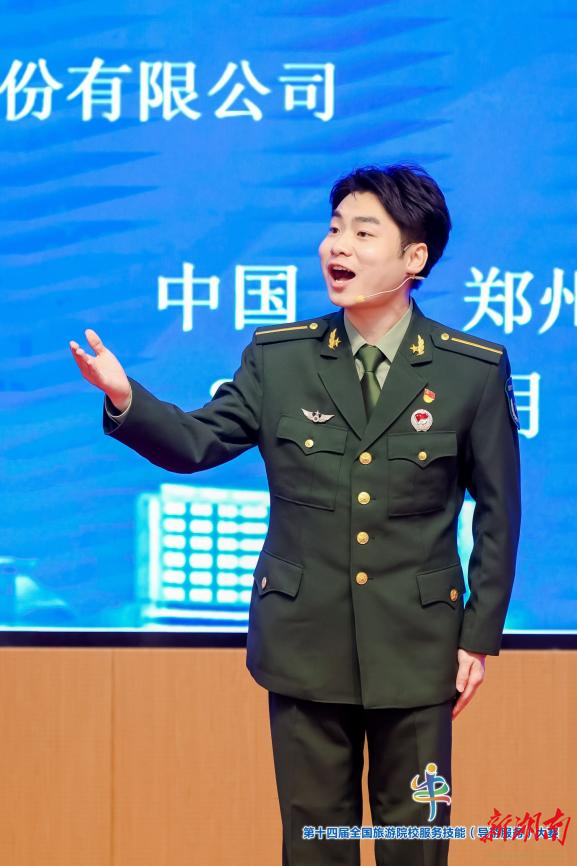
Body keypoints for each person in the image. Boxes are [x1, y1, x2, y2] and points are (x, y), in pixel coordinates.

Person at [69, 163, 521, 866]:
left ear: (413, 258)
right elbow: (196, 442)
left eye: (363, 233)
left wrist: (478, 636)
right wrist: (127, 397)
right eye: (334, 229)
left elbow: (498, 511)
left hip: (419, 647)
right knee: (314, 845)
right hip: (305, 642)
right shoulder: (279, 359)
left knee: (415, 841)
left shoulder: (471, 370)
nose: (336, 246)